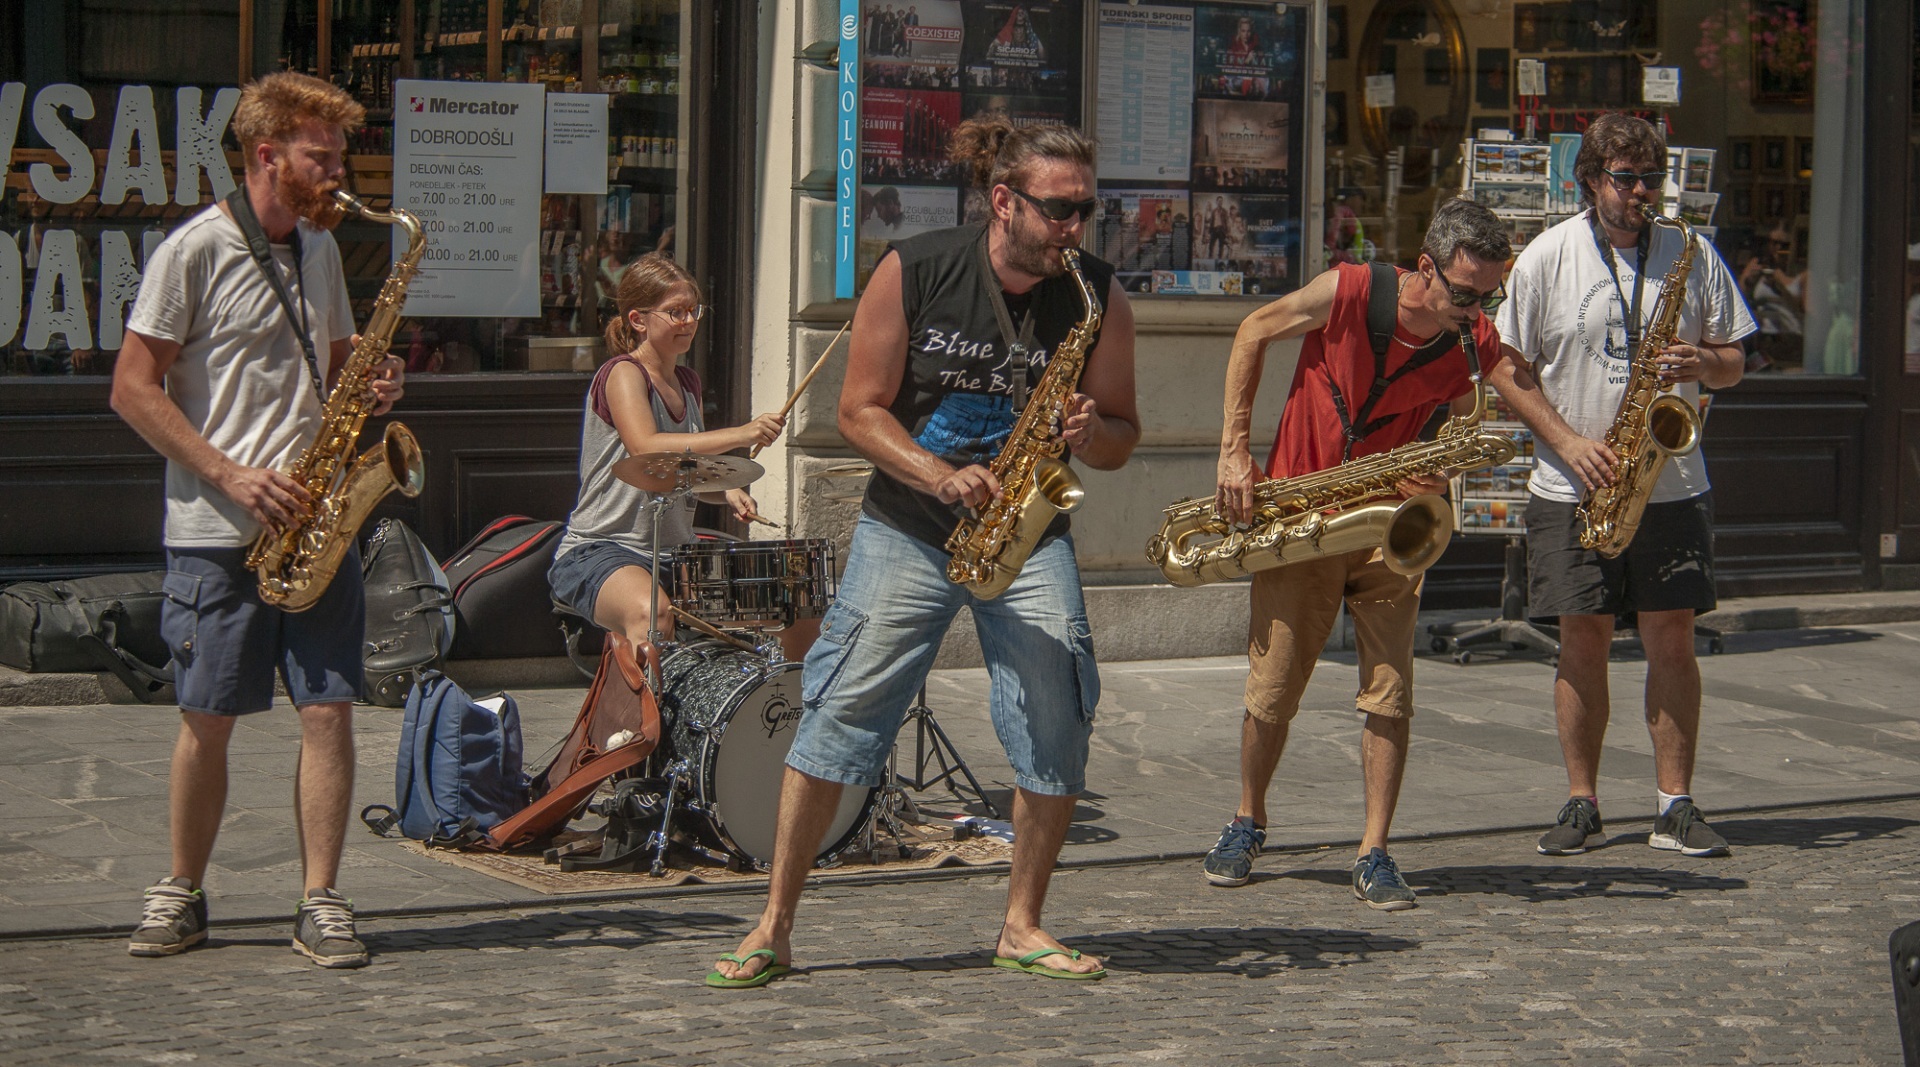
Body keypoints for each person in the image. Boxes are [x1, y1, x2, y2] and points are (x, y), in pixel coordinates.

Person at [708, 117, 1139, 988]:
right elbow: (858, 410)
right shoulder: (917, 268)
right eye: (1057, 209)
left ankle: (1022, 924)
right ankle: (774, 924)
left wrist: (1094, 433)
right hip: (908, 526)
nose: (1073, 228)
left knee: (1057, 711)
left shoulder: (1097, 295)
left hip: (1028, 535)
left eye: (1085, 210)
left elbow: (1125, 434)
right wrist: (938, 473)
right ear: (1004, 200)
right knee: (840, 712)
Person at [109, 72, 403, 968]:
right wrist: (231, 474)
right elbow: (130, 386)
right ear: (268, 154)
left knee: (329, 712)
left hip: (317, 524)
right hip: (219, 529)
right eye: (324, 155)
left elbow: (342, 356)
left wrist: (377, 381)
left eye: (340, 155)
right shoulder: (192, 250)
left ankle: (321, 897)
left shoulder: (318, 247)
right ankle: (182, 889)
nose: (339, 172)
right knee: (208, 717)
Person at [1202, 196, 1512, 910]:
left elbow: (1478, 416)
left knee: (1390, 692)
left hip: (1389, 527)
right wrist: (1232, 454)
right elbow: (1253, 330)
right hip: (1303, 513)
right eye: (1466, 293)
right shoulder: (1349, 289)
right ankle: (1248, 818)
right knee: (1273, 687)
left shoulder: (1473, 339)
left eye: (1489, 294)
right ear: (1425, 269)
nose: (1476, 309)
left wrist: (1438, 472)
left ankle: (1374, 849)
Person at [1487, 113, 1752, 859]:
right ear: (1591, 181)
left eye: (1648, 180)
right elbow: (1505, 367)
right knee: (1582, 641)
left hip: (1671, 482)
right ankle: (1581, 802)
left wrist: (1704, 362)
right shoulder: (1547, 257)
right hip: (1572, 483)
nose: (1638, 193)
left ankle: (1675, 803)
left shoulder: (1691, 253)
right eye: (1623, 179)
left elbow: (1735, 360)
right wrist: (1570, 443)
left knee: (1673, 637)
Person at [547, 253, 806, 661]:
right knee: (653, 614)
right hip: (602, 550)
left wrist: (727, 491)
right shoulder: (622, 374)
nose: (688, 321)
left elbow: (685, 473)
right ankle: (643, 725)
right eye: (675, 312)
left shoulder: (688, 382)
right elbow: (647, 447)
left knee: (790, 604)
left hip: (677, 554)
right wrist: (741, 433)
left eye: (693, 310)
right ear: (638, 320)